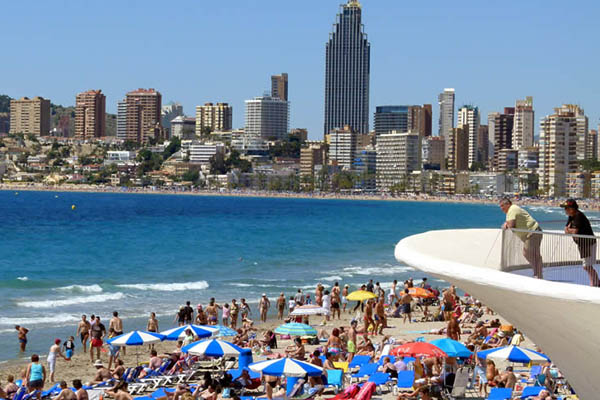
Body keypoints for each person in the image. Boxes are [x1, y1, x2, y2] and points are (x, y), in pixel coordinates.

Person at [499, 197, 543, 278]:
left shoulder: (512, 209)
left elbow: (511, 225)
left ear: (508, 204)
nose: (501, 208)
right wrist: (507, 223)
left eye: (502, 206)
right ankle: (537, 273)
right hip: (531, 233)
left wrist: (506, 224)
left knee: (530, 254)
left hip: (532, 232)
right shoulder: (511, 210)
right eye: (500, 206)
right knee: (532, 254)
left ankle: (538, 274)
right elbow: (510, 223)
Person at [561, 199, 600, 286]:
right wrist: (569, 230)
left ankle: (594, 283)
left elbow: (574, 231)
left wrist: (569, 230)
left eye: (566, 208)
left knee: (586, 266)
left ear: (572, 208)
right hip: (582, 244)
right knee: (586, 266)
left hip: (588, 243)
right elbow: (565, 230)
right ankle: (596, 282)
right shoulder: (571, 216)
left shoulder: (578, 216)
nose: (565, 210)